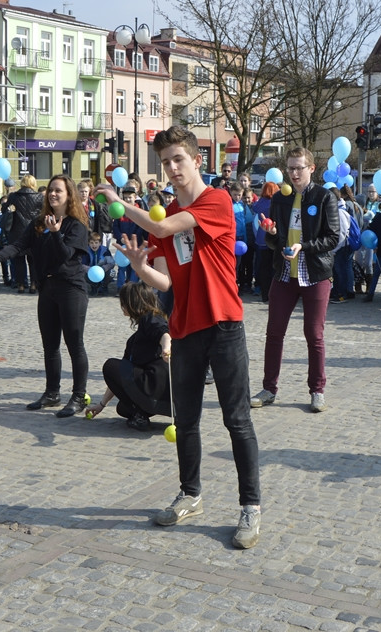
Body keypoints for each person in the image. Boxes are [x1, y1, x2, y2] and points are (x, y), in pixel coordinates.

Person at [95, 125, 261, 549]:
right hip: (184, 327)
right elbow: (165, 282)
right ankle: (190, 495)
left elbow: (170, 229)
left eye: (178, 160)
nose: (171, 169)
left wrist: (119, 202)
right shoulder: (164, 212)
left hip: (224, 325)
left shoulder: (216, 201)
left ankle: (250, 507)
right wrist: (138, 266)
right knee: (185, 421)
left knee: (236, 420)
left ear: (196, 160)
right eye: (165, 162)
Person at [0, 175, 91, 418]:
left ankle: (78, 396)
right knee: (50, 345)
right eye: (50, 190)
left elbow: (65, 255)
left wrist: (55, 233)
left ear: (69, 195)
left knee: (75, 344)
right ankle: (52, 393)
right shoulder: (39, 222)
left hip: (71, 289)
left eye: (58, 191)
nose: (53, 194)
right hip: (47, 288)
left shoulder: (76, 224)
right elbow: (19, 245)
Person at [251, 146, 339, 413]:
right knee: (274, 332)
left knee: (314, 334)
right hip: (284, 274)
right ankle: (269, 388)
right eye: (290, 168)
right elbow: (274, 240)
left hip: (315, 273)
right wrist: (272, 231)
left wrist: (305, 246)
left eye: (299, 167)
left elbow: (333, 237)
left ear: (311, 169)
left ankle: (317, 391)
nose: (294, 173)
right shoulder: (280, 199)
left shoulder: (325, 197)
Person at [86, 282, 172, 430]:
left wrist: (166, 348)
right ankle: (140, 414)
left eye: (123, 302)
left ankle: (140, 417)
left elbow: (164, 333)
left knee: (110, 365)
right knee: (123, 408)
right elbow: (122, 376)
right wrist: (101, 405)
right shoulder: (137, 337)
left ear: (132, 303)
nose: (122, 307)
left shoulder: (150, 318)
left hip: (158, 385)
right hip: (161, 395)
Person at [3, 175, 43, 294]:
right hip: (34, 232)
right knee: (33, 260)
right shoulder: (39, 197)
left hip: (17, 232)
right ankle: (34, 284)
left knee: (19, 260)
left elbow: (4, 209)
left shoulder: (13, 196)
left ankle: (21, 284)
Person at [82, 232, 115, 296]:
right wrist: (90, 269)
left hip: (103, 271)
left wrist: (104, 268)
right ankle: (94, 286)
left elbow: (112, 263)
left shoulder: (105, 251)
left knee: (112, 272)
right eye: (91, 243)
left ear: (100, 243)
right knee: (82, 273)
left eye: (96, 243)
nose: (94, 245)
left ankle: (104, 286)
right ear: (88, 243)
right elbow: (82, 265)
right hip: (91, 272)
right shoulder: (86, 251)